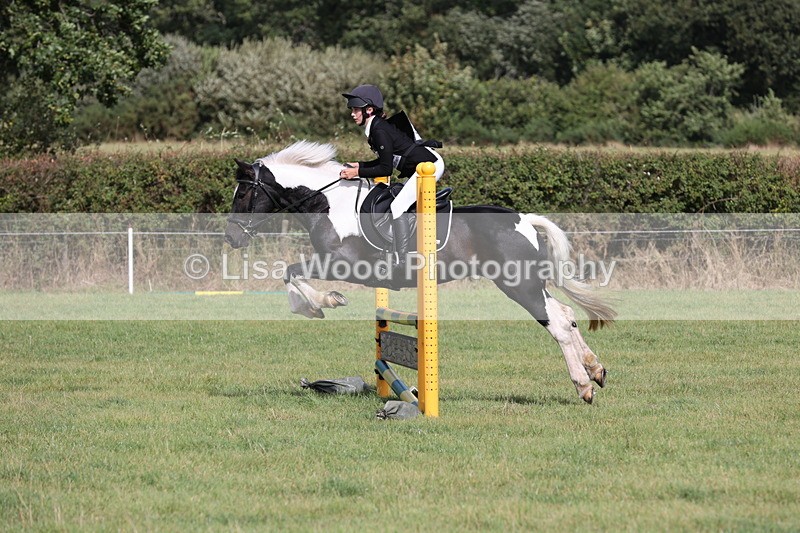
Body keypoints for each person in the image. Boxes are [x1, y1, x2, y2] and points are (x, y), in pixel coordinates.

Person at [338, 84, 444, 274]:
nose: (352, 113)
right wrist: (359, 165)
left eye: (355, 109)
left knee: (397, 207)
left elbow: (385, 168)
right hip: (419, 167)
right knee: (400, 204)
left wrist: (358, 172)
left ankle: (402, 261)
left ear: (369, 109)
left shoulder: (379, 130)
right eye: (352, 109)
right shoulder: (376, 127)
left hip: (430, 166)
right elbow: (384, 162)